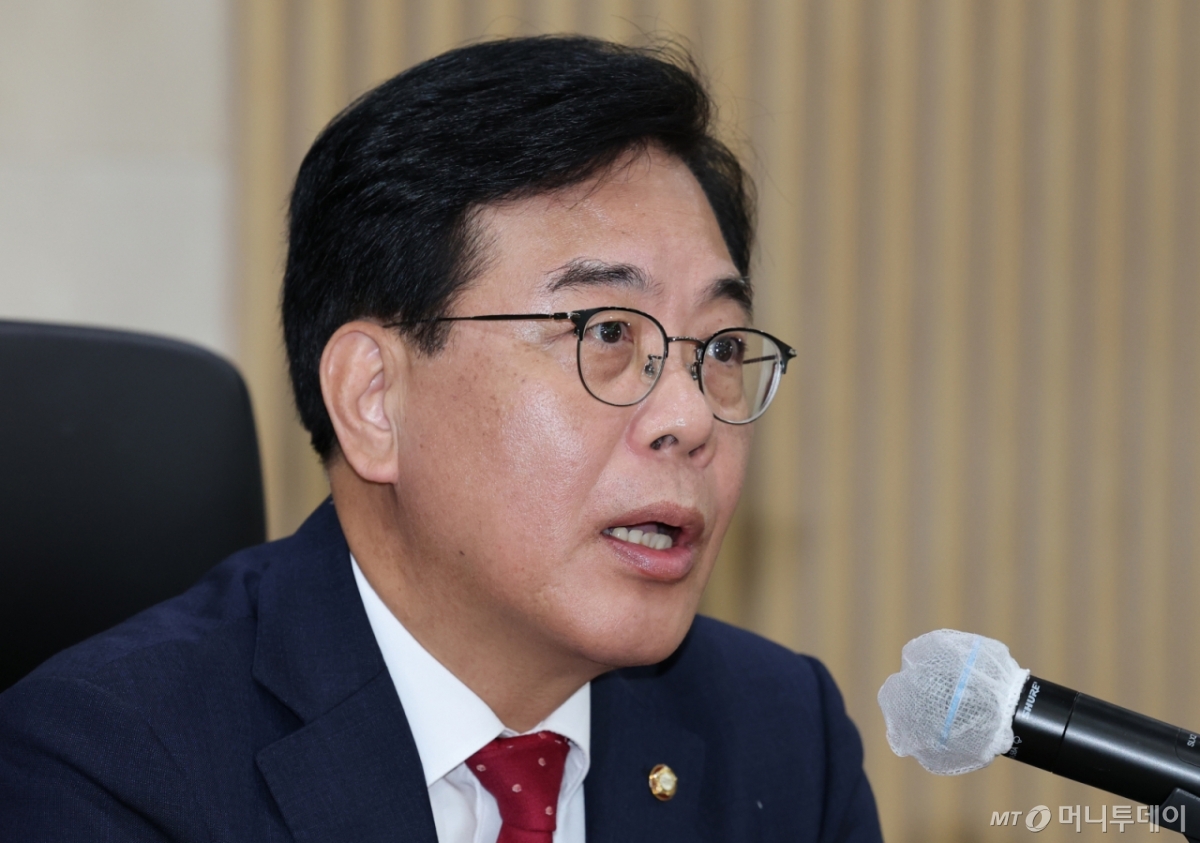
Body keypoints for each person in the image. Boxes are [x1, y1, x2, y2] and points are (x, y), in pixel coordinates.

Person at [0, 36, 882, 842]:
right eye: (608, 333)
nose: (689, 417)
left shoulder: (783, 741)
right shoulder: (109, 766)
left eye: (719, 349)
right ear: (374, 400)